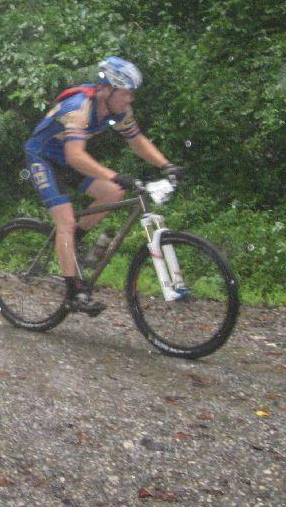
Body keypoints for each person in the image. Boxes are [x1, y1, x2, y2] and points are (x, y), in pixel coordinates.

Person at [24, 56, 183, 314]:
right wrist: (113, 174)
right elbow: (76, 156)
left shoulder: (118, 110)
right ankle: (73, 293)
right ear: (107, 90)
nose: (130, 99)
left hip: (65, 159)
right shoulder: (78, 107)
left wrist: (166, 165)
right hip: (43, 158)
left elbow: (137, 140)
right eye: (127, 93)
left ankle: (74, 240)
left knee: (114, 193)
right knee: (65, 221)